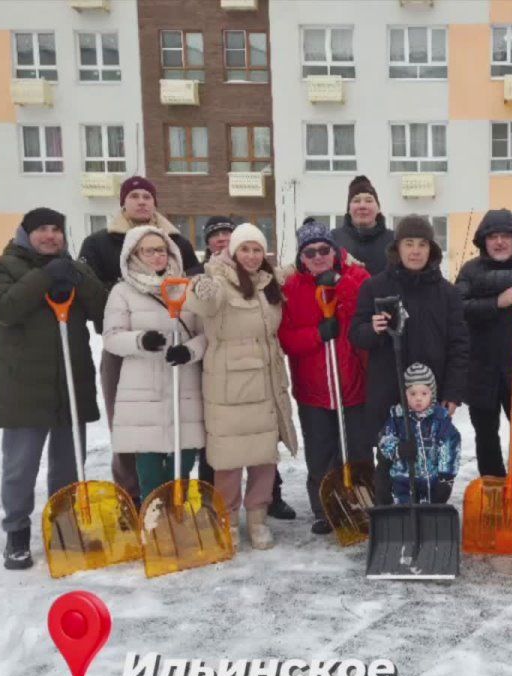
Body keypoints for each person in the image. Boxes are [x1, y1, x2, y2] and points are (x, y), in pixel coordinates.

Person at [0, 208, 106, 569]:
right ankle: (16, 534)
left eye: (57, 230)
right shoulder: (1, 267)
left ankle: (63, 529)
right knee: (20, 467)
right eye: (42, 230)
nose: (51, 236)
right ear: (25, 233)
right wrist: (43, 277)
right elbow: (4, 308)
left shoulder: (75, 268)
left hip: (72, 382)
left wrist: (77, 276)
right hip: (24, 387)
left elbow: (102, 309)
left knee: (68, 465)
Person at [78, 176, 200, 506]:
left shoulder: (178, 241)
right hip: (129, 346)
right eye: (134, 196)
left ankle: (173, 496)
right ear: (123, 202)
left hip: (175, 352)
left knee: (180, 422)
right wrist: (133, 299)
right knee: (130, 422)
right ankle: (133, 494)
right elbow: (91, 291)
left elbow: (194, 285)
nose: (142, 201)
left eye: (148, 195)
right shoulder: (100, 242)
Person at [185, 223, 298, 550]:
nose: (251, 256)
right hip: (229, 384)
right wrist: (202, 286)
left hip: (267, 378)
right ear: (232, 251)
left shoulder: (268, 281)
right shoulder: (217, 280)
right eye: (244, 249)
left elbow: (299, 268)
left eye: (257, 249)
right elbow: (203, 302)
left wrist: (343, 257)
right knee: (228, 459)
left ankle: (258, 517)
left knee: (264, 455)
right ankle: (229, 519)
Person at [350, 215, 469, 504]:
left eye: (422, 244)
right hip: (388, 390)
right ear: (397, 248)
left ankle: (428, 514)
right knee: (389, 456)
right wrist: (373, 329)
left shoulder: (448, 293)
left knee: (431, 454)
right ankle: (388, 518)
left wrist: (452, 392)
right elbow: (356, 335)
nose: (415, 251)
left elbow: (460, 346)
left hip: (431, 391)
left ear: (431, 250)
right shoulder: (375, 288)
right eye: (408, 244)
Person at [101, 226, 206, 502]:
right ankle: (154, 522)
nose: (157, 256)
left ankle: (177, 519)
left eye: (162, 249)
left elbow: (206, 335)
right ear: (134, 254)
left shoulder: (187, 288)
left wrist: (189, 351)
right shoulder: (122, 292)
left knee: (182, 465)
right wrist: (140, 341)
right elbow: (111, 338)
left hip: (183, 387)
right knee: (149, 472)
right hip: (142, 392)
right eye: (149, 250)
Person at [279, 219, 371, 533]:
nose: (318, 256)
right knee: (320, 453)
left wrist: (337, 284)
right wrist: (318, 334)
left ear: (334, 251)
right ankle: (324, 509)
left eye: (323, 249)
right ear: (301, 258)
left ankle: (361, 504)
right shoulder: (292, 288)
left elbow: (364, 307)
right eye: (310, 252)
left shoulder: (356, 276)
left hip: (353, 385)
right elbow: (286, 339)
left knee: (357, 450)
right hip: (313, 391)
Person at [456, 209, 512, 480]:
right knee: (485, 436)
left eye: (505, 236)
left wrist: (482, 285)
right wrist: (496, 302)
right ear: (483, 242)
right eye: (492, 236)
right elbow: (458, 307)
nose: (499, 242)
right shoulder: (469, 269)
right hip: (481, 369)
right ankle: (493, 492)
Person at [377, 363, 462, 504]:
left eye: (424, 393)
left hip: (432, 482)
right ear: (405, 394)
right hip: (402, 481)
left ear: (432, 393)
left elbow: (450, 445)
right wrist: (398, 449)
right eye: (412, 393)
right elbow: (384, 440)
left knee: (429, 516)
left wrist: (445, 478)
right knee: (404, 514)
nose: (418, 398)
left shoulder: (439, 420)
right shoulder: (397, 417)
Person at [331, 175, 395, 276]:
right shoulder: (333, 239)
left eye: (369, 200)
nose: (362, 206)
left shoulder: (394, 240)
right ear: (349, 209)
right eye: (356, 201)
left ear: (378, 208)